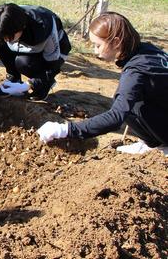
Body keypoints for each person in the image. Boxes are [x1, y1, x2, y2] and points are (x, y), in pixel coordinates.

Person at [37, 12, 168, 156]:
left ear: (117, 42)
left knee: (129, 104)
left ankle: (160, 146)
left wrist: (67, 129)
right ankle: (152, 143)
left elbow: (115, 118)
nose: (94, 51)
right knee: (128, 97)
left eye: (98, 45)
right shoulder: (147, 50)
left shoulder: (135, 72)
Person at [0, 3, 71, 119]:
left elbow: (53, 66)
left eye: (9, 37)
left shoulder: (42, 28)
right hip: (21, 45)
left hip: (52, 54)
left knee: (23, 63)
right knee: (2, 46)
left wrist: (29, 84)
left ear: (21, 28)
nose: (6, 40)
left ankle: (42, 87)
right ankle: (14, 79)